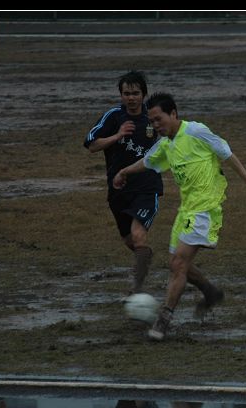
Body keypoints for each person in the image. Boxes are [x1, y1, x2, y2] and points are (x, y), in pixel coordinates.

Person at [113, 93, 246, 341]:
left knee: (177, 264)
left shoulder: (196, 131)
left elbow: (226, 152)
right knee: (178, 263)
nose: (156, 125)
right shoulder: (166, 144)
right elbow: (148, 161)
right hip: (186, 210)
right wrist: (124, 172)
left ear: (173, 113)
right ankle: (210, 291)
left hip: (206, 209)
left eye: (159, 119)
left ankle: (163, 320)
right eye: (152, 121)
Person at [84, 71, 162, 295]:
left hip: (147, 187)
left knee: (138, 235)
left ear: (143, 94)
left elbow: (174, 138)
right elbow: (91, 145)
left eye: (135, 93)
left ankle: (137, 290)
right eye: (126, 93)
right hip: (118, 189)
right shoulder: (113, 116)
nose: (131, 98)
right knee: (130, 241)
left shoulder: (153, 116)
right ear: (121, 95)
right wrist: (117, 136)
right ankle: (144, 256)